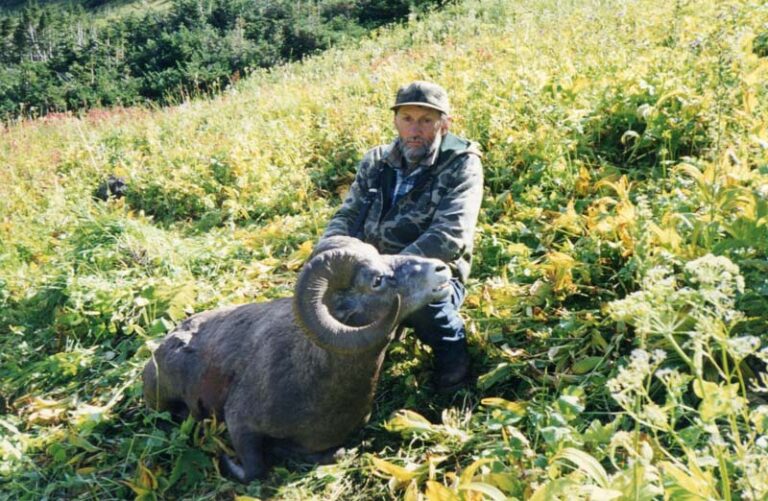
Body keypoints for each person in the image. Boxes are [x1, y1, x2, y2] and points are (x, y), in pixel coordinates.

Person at [320, 80, 484, 393]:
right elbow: (347, 216)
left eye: (426, 120)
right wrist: (325, 254)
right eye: (407, 119)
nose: (415, 129)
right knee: (320, 305)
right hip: (368, 271)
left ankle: (454, 376)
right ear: (395, 121)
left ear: (444, 124)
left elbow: (450, 236)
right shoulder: (376, 161)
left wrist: (388, 276)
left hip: (426, 270)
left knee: (429, 307)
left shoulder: (462, 164)